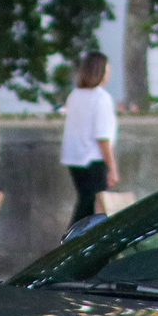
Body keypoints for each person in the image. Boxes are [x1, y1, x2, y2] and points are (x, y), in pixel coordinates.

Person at [60, 50, 120, 225]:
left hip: (74, 159)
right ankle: (72, 242)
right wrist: (112, 167)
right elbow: (102, 137)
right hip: (93, 159)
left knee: (86, 202)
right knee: (89, 207)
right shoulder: (101, 98)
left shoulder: (75, 96)